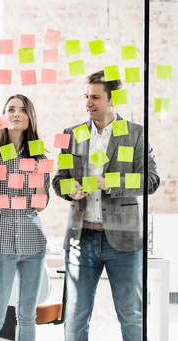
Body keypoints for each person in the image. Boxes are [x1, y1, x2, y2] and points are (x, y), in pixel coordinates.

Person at [52, 70, 160, 341]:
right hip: (81, 239)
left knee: (131, 316)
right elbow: (58, 180)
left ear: (113, 100)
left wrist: (110, 183)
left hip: (124, 241)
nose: (88, 102)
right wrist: (70, 190)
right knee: (75, 319)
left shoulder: (135, 134)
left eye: (96, 97)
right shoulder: (71, 134)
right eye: (86, 96)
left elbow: (152, 180)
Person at [0, 94, 50, 340]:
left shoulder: (39, 156)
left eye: (22, 110)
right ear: (3, 117)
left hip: (33, 242)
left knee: (27, 316)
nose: (16, 114)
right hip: (0, 242)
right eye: (11, 109)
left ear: (30, 118)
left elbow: (40, 206)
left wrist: (39, 178)